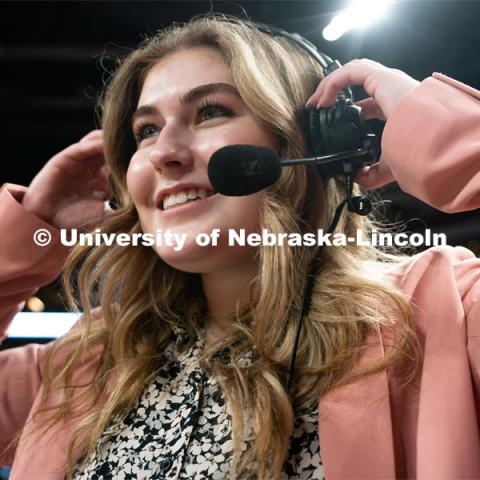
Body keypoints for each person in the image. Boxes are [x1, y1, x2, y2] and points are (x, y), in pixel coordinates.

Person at [1, 13, 479, 480]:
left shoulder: (444, 313)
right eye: (145, 131)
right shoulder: (83, 363)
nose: (163, 153)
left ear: (318, 144)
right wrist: (29, 228)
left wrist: (446, 140)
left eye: (211, 112)